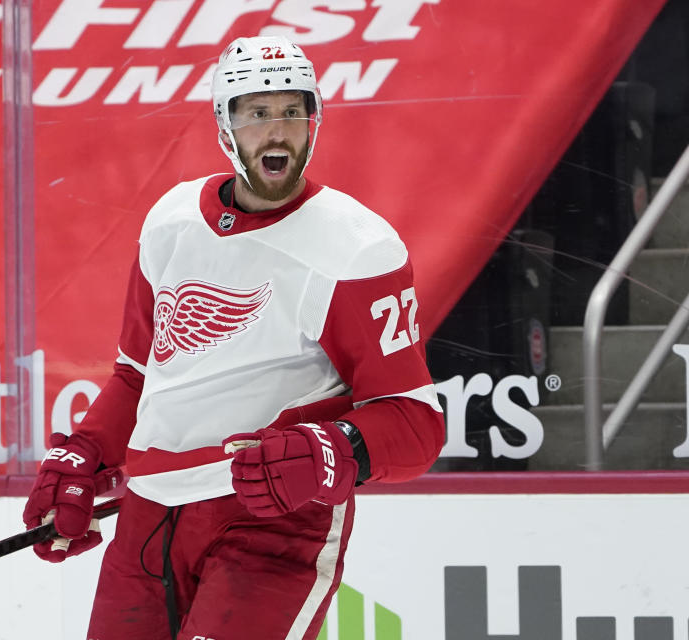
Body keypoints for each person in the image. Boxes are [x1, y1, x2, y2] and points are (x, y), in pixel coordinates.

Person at [23, 35, 445, 640]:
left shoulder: (357, 249)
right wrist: (86, 455)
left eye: (292, 111)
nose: (278, 131)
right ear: (225, 124)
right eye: (256, 112)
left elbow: (415, 424)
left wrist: (335, 449)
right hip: (148, 520)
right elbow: (138, 375)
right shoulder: (171, 222)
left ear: (314, 119)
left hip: (269, 522)